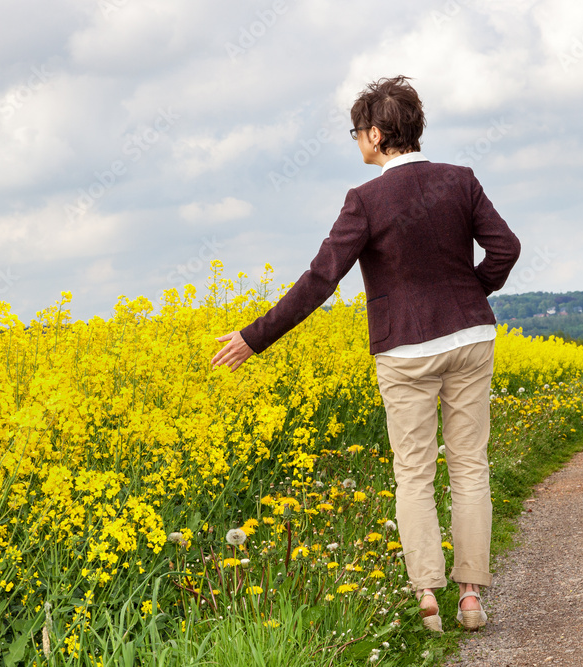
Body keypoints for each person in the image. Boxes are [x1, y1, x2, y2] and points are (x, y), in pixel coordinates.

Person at [210, 75, 520, 632]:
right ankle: (471, 595)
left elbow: (321, 279)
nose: (356, 141)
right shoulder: (460, 180)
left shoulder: (365, 200)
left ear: (377, 134)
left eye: (357, 132)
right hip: (470, 337)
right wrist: (471, 292)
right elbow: (506, 247)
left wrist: (254, 337)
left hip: (404, 351)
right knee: (471, 465)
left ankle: (428, 596)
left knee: (415, 473)